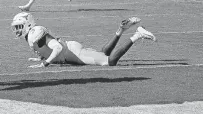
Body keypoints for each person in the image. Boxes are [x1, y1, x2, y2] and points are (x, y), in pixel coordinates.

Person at [11, 13, 156, 68]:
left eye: (19, 26)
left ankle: (137, 35)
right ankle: (121, 30)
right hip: (72, 51)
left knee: (109, 62)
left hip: (73, 53)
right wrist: (41, 58)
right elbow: (47, 49)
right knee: (102, 54)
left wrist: (45, 63)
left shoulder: (36, 33)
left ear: (28, 24)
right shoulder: (30, 35)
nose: (17, 30)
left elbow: (57, 48)